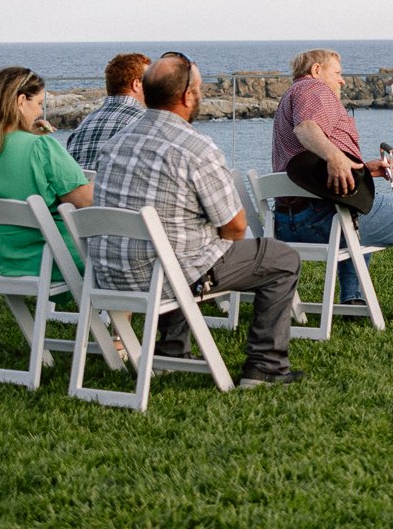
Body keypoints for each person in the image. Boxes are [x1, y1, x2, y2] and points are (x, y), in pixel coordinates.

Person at [90, 53, 305, 387]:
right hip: (165, 275)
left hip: (110, 274)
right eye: (200, 88)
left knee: (182, 244)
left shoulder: (116, 143)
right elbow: (234, 227)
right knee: (281, 258)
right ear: (187, 96)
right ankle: (265, 366)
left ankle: (171, 353)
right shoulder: (195, 148)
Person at [272, 48, 393, 318]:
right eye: (338, 73)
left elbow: (309, 169)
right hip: (325, 222)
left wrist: (360, 169)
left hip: (286, 225)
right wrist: (335, 157)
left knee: (359, 203)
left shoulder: (289, 98)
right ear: (317, 71)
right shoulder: (314, 90)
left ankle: (352, 300)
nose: (342, 81)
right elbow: (306, 128)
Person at [0, 66, 92, 278]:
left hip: (7, 264)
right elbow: (85, 202)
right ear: (20, 101)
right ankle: (116, 311)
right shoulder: (41, 147)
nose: (39, 112)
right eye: (39, 104)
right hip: (61, 262)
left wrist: (25, 135)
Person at [65, 52, 151, 173]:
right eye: (149, 80)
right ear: (136, 84)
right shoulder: (146, 122)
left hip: (81, 190)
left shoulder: (83, 126)